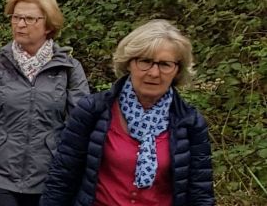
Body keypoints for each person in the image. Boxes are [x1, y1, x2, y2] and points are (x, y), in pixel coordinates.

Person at [43, 20, 216, 206]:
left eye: (165, 64)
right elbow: (62, 177)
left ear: (177, 71)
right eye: (145, 61)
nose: (154, 72)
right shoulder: (93, 110)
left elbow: (200, 193)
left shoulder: (190, 122)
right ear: (128, 63)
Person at [0, 0, 90, 205]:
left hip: (50, 175)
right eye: (15, 17)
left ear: (48, 25)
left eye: (29, 19)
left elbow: (79, 123)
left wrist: (72, 164)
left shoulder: (69, 68)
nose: (20, 24)